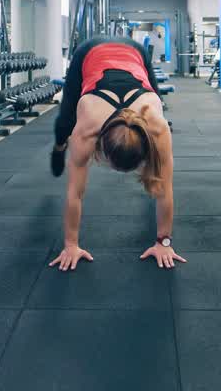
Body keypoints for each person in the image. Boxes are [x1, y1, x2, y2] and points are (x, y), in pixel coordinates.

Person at [49, 36, 184, 272]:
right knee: (64, 124)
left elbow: (165, 191)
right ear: (100, 145)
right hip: (88, 52)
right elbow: (75, 193)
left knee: (160, 175)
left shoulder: (158, 127)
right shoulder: (87, 125)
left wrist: (164, 243)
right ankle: (59, 147)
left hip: (136, 53)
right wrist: (71, 245)